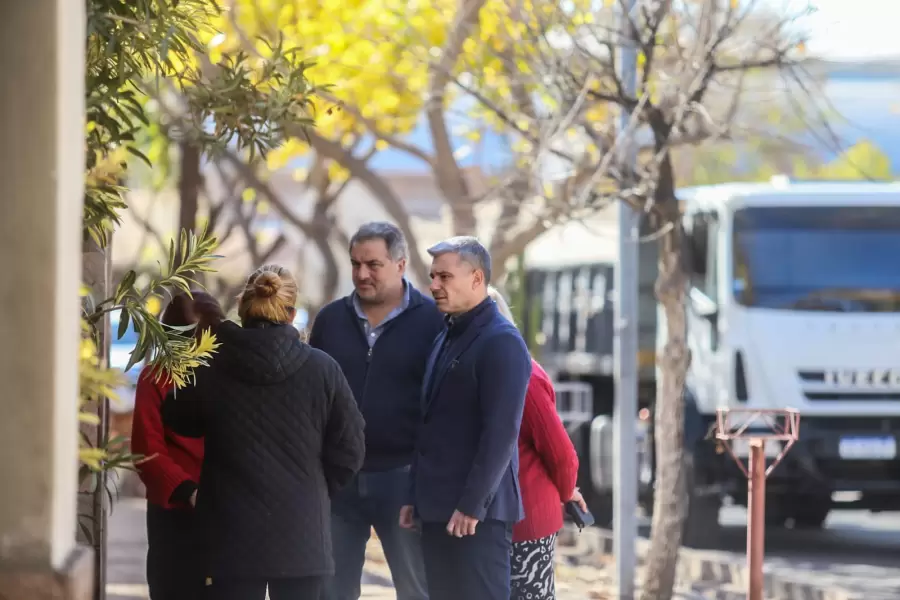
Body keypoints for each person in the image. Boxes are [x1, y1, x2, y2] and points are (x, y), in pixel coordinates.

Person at [161, 264, 366, 600]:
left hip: (230, 533)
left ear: (242, 307)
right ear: (292, 314)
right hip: (302, 533)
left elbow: (176, 417)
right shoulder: (323, 369)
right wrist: (316, 487)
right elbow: (351, 447)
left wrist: (199, 350)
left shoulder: (212, 366)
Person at [309, 222, 443, 600]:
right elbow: (312, 397)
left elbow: (441, 405)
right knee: (331, 592)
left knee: (417, 590)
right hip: (337, 479)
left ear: (400, 264)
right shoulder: (330, 320)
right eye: (356, 264)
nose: (362, 274)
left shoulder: (433, 321)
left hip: (403, 479)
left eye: (373, 265)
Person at [400, 236, 532, 600]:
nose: (434, 285)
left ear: (476, 279)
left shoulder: (502, 341)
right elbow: (428, 423)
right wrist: (413, 495)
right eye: (433, 276)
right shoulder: (446, 335)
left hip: (478, 518)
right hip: (436, 509)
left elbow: (501, 434)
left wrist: (471, 506)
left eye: (445, 276)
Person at [487, 286, 587, 600]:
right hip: (492, 520)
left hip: (525, 521)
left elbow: (560, 452)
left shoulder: (523, 375)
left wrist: (567, 490)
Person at [131, 291, 225, 600]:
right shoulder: (156, 377)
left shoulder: (230, 377)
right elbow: (147, 450)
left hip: (222, 507)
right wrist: (188, 490)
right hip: (175, 510)